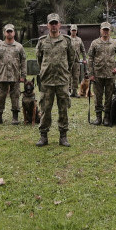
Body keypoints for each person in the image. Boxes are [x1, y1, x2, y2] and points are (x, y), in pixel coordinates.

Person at [35, 13, 75, 146]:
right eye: (51, 23)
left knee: (63, 109)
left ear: (60, 25)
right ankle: (43, 136)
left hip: (62, 80)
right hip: (47, 81)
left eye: (55, 23)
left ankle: (63, 136)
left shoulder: (67, 41)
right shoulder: (42, 41)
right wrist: (46, 71)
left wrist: (63, 70)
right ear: (47, 25)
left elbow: (71, 59)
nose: (53, 26)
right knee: (45, 109)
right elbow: (39, 60)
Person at [87, 21, 116, 126]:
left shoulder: (114, 43)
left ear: (110, 31)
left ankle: (106, 117)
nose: (105, 32)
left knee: (108, 97)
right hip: (97, 75)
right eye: (104, 30)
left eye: (107, 30)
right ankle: (98, 117)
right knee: (98, 97)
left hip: (110, 75)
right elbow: (90, 58)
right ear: (100, 30)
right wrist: (91, 74)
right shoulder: (95, 43)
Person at [0, 24, 27, 125]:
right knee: (0, 96)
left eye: (11, 31)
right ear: (4, 33)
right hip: (2, 75)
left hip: (15, 76)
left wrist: (23, 75)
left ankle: (15, 117)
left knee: (15, 97)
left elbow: (23, 61)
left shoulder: (19, 47)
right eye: (7, 31)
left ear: (14, 33)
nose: (9, 33)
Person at [69, 24, 87, 97]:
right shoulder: (67, 39)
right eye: (72, 30)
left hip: (77, 61)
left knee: (76, 76)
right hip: (69, 61)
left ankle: (75, 91)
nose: (73, 32)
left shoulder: (79, 39)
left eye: (75, 30)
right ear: (70, 31)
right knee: (68, 76)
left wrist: (85, 59)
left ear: (76, 31)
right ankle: (68, 91)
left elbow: (83, 50)